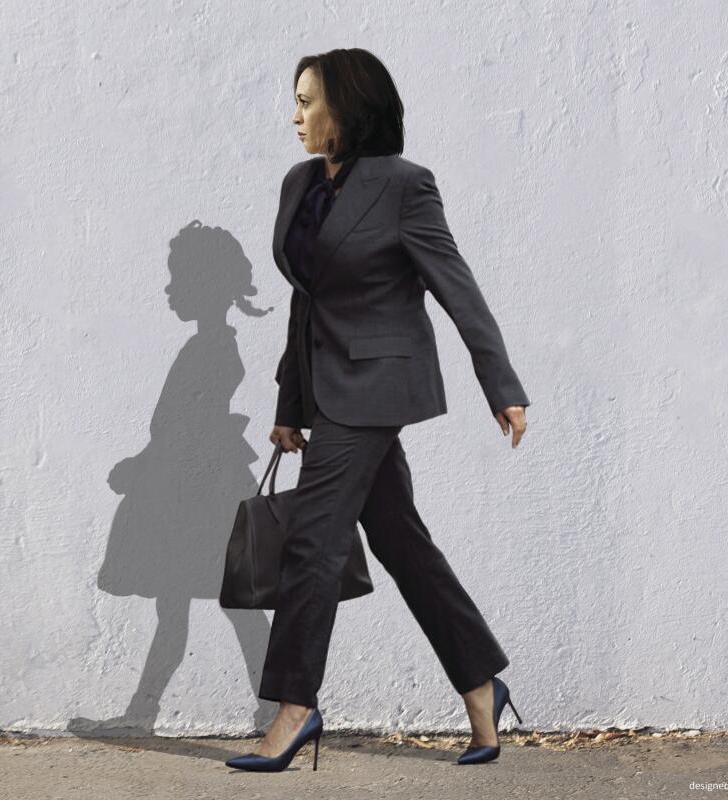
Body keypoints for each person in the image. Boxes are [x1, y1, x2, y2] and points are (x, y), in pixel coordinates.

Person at [225, 48, 531, 772]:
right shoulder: (300, 182)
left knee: (312, 543)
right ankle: (482, 682)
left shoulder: (404, 186)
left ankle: (295, 709)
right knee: (403, 547)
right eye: (294, 101)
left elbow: (456, 286)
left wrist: (503, 385)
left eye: (308, 101)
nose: (295, 115)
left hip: (376, 389)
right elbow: (309, 298)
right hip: (325, 389)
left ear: (347, 108)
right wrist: (288, 403)